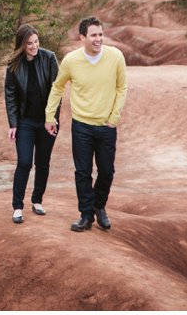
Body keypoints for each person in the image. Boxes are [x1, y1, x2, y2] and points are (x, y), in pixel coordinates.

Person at [44, 16, 127, 232]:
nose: (98, 39)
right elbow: (57, 87)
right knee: (83, 172)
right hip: (81, 125)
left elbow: (122, 88)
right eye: (94, 35)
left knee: (107, 171)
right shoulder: (71, 61)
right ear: (83, 37)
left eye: (100, 34)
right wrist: (49, 115)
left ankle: (100, 207)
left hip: (107, 126)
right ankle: (86, 215)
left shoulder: (115, 56)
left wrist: (114, 117)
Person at [4, 23, 60, 224]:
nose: (34, 46)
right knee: (25, 162)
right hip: (25, 122)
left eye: (36, 42)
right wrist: (13, 123)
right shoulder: (14, 65)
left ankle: (37, 200)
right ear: (21, 45)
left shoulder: (49, 58)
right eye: (29, 43)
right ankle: (17, 206)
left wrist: (51, 119)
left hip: (47, 121)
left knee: (43, 163)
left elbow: (57, 90)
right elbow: (10, 95)